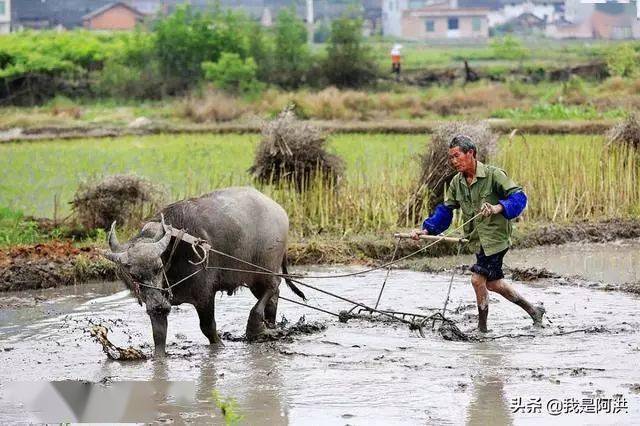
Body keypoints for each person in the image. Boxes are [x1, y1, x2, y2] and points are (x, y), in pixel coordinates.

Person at [411, 134, 545, 332]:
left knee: (477, 280)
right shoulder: (457, 183)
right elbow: (446, 210)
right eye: (451, 158)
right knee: (493, 284)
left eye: (457, 156)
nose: (454, 161)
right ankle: (533, 310)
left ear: (471, 153)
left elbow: (519, 197)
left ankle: (482, 328)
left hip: (495, 239)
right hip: (477, 240)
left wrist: (498, 208)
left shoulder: (493, 175)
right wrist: (426, 229)